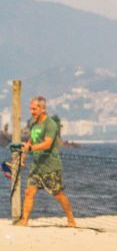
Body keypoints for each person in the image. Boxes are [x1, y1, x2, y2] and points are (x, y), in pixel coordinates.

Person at [18, 96, 76, 227]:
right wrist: (23, 157)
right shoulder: (34, 124)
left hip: (50, 166)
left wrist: (31, 148)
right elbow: (30, 142)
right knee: (29, 192)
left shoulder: (50, 124)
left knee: (58, 195)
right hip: (36, 167)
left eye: (34, 109)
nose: (32, 112)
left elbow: (47, 144)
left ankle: (71, 219)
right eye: (30, 109)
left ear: (42, 108)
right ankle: (24, 221)